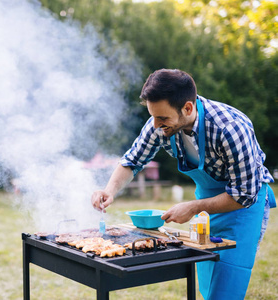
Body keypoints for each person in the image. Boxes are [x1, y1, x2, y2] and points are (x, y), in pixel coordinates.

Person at [91, 69, 275, 300]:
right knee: (208, 281)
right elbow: (132, 161)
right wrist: (109, 191)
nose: (156, 125)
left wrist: (194, 207)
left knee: (227, 287)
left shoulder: (230, 129)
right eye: (153, 116)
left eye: (163, 118)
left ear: (188, 108)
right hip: (206, 205)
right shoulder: (158, 124)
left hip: (243, 207)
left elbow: (244, 194)